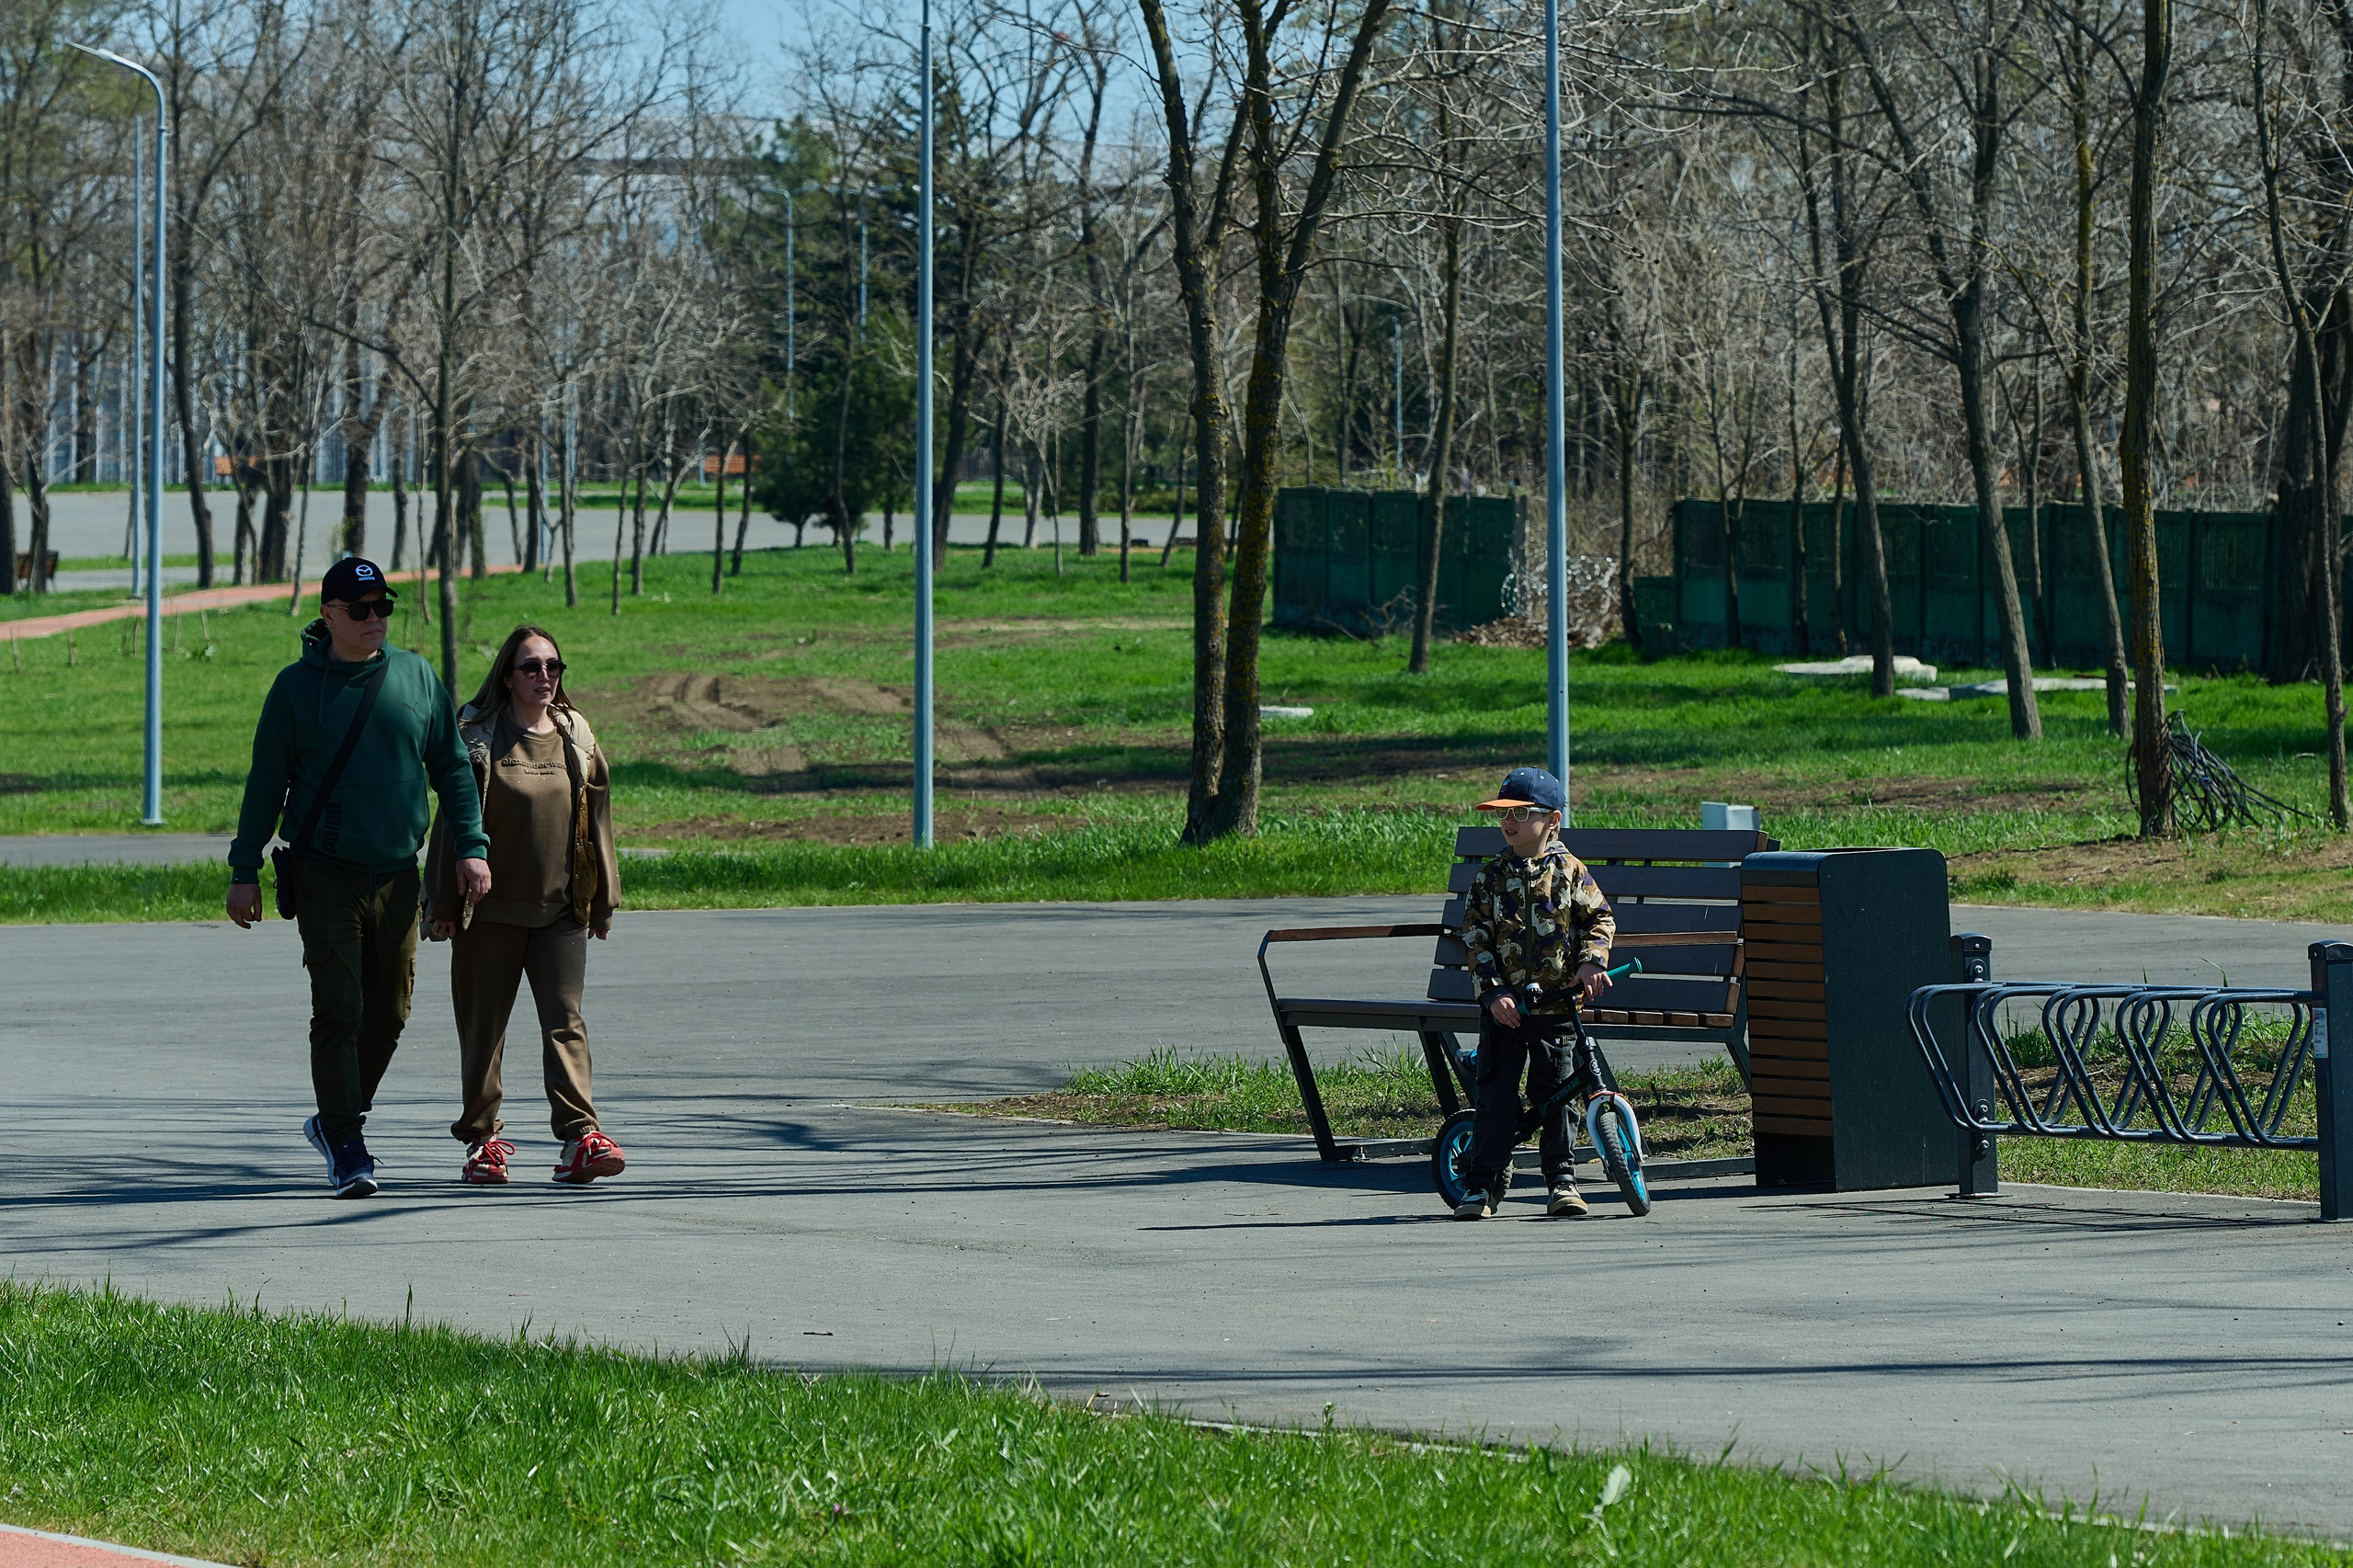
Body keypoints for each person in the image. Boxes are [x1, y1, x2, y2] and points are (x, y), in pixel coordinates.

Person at [227, 556, 491, 1199]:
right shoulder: (294, 689)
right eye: (361, 609)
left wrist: (472, 847)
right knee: (339, 1008)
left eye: (384, 608)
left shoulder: (416, 678)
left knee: (391, 1012)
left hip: (399, 873)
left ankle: (335, 1114)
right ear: (329, 615)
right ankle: (347, 1141)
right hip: (325, 871)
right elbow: (265, 784)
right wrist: (244, 869)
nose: (376, 619)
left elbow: (452, 769)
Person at [425, 624, 625, 1187]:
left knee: (566, 1023)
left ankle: (581, 1137)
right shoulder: (476, 738)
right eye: (532, 667)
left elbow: (599, 822)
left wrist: (604, 896)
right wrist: (441, 899)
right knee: (483, 1029)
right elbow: (451, 827)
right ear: (507, 677)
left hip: (560, 910)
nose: (545, 677)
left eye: (554, 667)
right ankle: (483, 1143)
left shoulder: (576, 736)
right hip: (485, 914)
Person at [1454, 766, 1617, 1221]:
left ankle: (1561, 1182)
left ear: (1552, 821)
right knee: (1496, 1096)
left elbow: (1599, 920)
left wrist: (1591, 962)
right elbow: (1476, 938)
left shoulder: (1569, 872)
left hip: (1557, 1006)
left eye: (1522, 813)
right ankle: (1482, 1186)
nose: (1509, 822)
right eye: (1504, 814)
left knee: (1559, 1095)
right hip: (1507, 1010)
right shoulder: (1490, 879)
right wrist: (1491, 993)